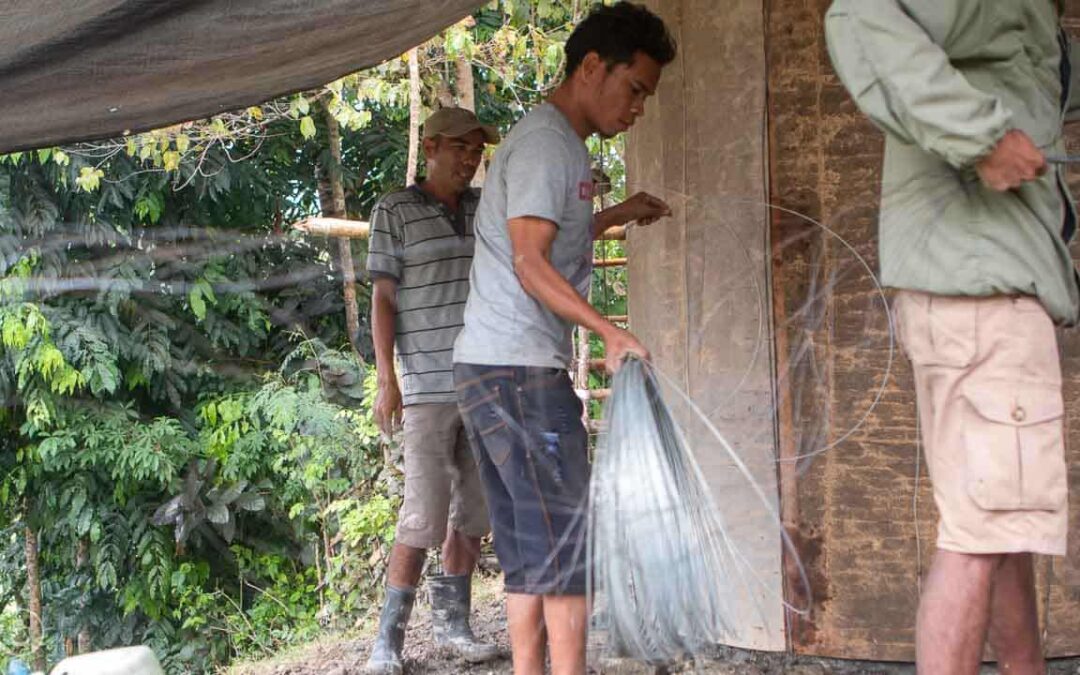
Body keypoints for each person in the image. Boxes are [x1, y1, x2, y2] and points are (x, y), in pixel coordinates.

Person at [825, 2, 1080, 673]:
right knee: (978, 538)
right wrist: (981, 137)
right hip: (984, 295)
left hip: (972, 292)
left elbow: (1035, 74)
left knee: (995, 528)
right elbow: (859, 16)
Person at [452, 4, 676, 674]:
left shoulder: (554, 144)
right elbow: (529, 262)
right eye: (633, 89)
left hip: (488, 365)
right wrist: (609, 330)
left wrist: (618, 213)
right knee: (568, 548)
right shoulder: (550, 142)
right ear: (590, 67)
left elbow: (541, 239)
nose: (637, 108)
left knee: (529, 550)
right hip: (520, 373)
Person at [364, 106, 501, 675]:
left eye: (477, 152)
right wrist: (386, 378)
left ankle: (454, 627)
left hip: (484, 379)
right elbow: (382, 298)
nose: (470, 161)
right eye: (461, 149)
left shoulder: (482, 207)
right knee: (422, 514)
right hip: (424, 384)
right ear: (432, 147)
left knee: (473, 511)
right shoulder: (394, 210)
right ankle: (387, 644)